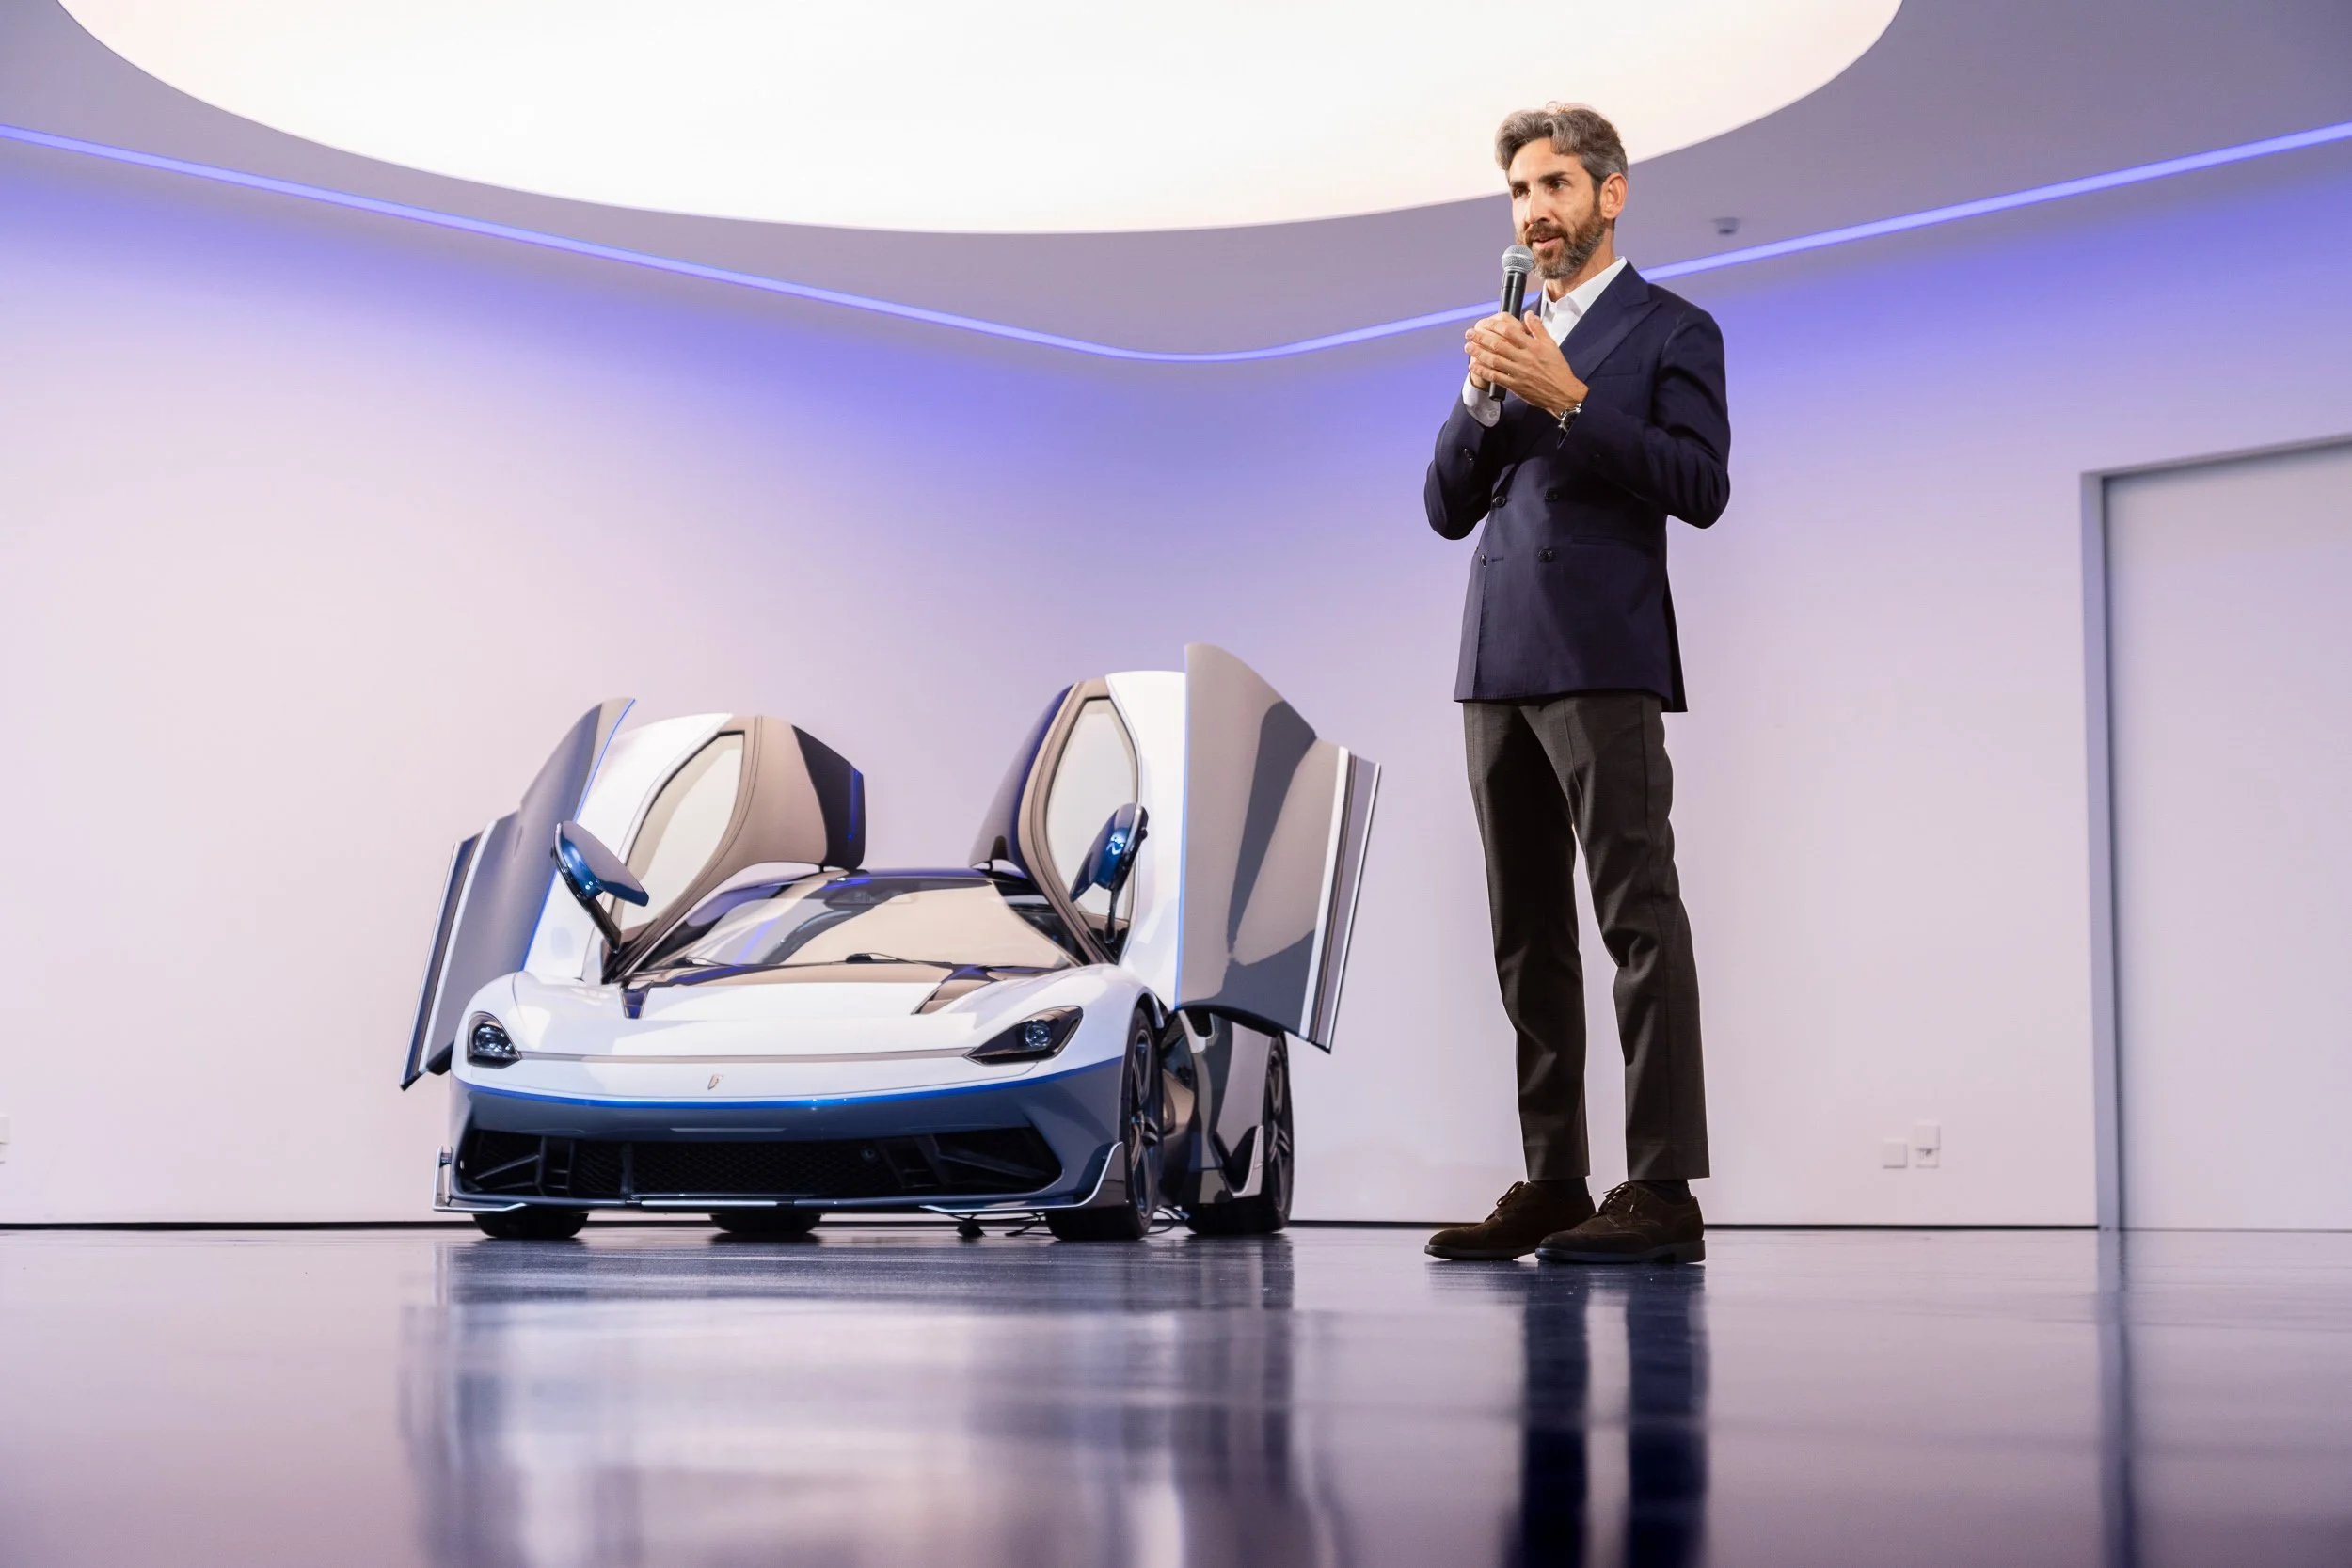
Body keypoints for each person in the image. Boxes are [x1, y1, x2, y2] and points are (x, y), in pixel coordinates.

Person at [1422, 104, 1730, 1266]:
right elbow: (1444, 507)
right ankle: (1554, 1176)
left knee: (1636, 916)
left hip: (1602, 654)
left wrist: (1569, 396)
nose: (1534, 210)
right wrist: (1479, 399)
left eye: (1554, 184)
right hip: (1495, 659)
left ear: (1610, 193)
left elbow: (1699, 485)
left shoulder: (1671, 328)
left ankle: (1661, 1187)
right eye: (1519, 191)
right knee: (1525, 933)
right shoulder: (1508, 335)